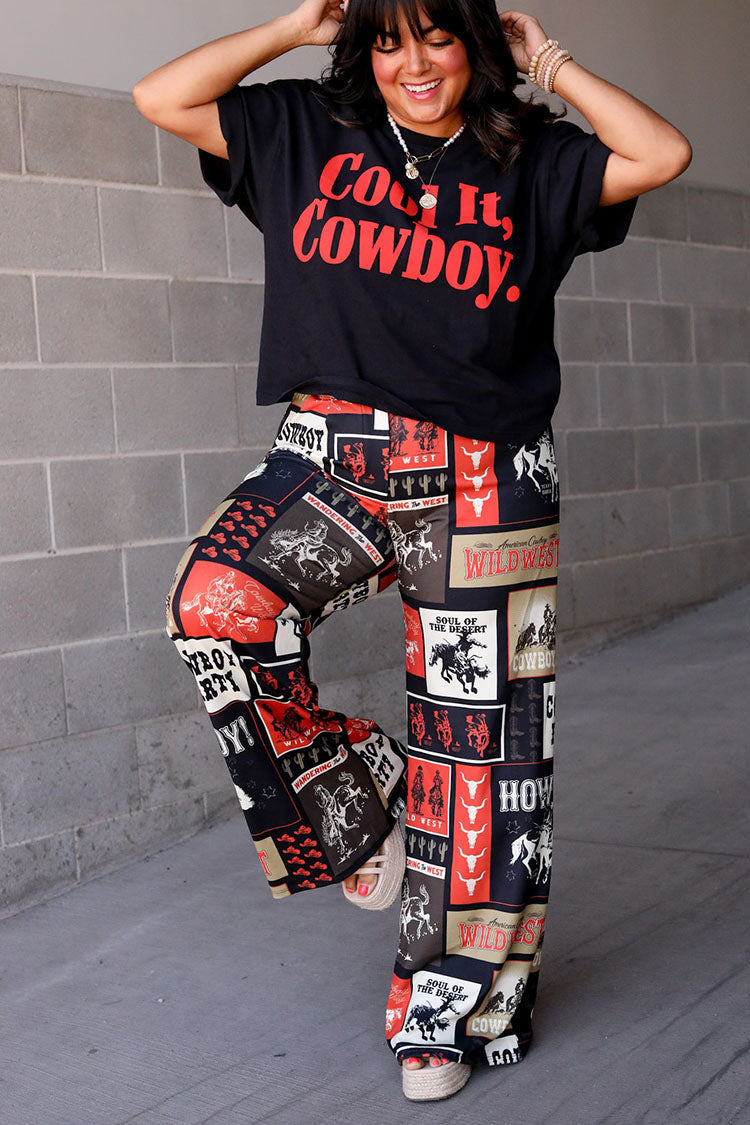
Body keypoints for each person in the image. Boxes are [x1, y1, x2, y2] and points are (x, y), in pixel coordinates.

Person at [133, 0, 691, 1102]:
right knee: (215, 604)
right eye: (389, 40)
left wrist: (549, 62)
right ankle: (365, 789)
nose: (414, 64)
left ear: (474, 43)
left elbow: (660, 153)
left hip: (488, 465)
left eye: (437, 37)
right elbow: (163, 96)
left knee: (484, 760)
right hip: (333, 448)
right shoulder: (305, 128)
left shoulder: (531, 159)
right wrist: (294, 27)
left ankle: (444, 1011)